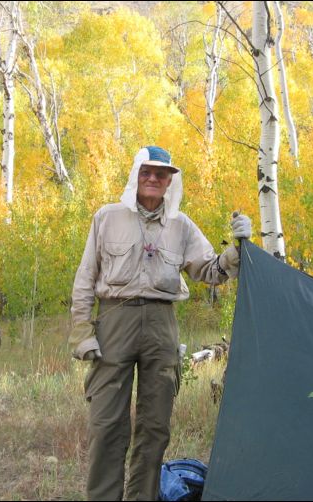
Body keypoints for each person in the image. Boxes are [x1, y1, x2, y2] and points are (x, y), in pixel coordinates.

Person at [69, 146, 251, 501]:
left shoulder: (181, 225)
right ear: (135, 174)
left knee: (154, 428)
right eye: (147, 172)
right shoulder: (106, 217)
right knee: (106, 424)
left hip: (161, 326)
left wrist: (238, 249)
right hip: (113, 323)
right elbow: (84, 279)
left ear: (170, 181)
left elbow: (210, 270)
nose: (153, 179)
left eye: (162, 174)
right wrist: (82, 332)